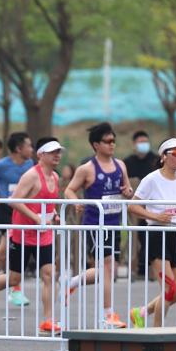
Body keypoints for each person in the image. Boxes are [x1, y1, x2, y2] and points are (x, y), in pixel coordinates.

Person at [0, 137, 63, 334]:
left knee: (49, 274)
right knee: (14, 279)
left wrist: (54, 215)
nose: (57, 155)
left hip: (43, 234)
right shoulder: (31, 175)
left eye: (59, 152)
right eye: (52, 152)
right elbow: (14, 200)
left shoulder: (55, 177)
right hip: (22, 233)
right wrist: (36, 218)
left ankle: (48, 320)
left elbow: (49, 202)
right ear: (41, 155)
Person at [63, 122, 133, 328]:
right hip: (95, 224)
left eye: (114, 141)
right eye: (107, 141)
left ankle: (73, 282)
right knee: (107, 268)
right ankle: (108, 314)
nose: (112, 145)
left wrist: (127, 192)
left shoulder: (120, 165)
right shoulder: (87, 169)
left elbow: (128, 190)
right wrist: (76, 202)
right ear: (96, 145)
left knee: (108, 270)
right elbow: (69, 189)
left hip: (114, 223)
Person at [127, 138, 176, 328]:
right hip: (157, 234)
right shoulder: (151, 179)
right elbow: (132, 206)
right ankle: (157, 332)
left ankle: (142, 312)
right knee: (170, 290)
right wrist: (155, 216)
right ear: (163, 157)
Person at [0, 131, 34, 306]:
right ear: (18, 148)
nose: (31, 149)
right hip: (7, 211)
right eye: (28, 146)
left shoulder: (31, 165)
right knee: (4, 252)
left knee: (13, 252)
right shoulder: (0, 165)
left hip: (25, 211)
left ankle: (14, 289)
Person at [123, 130, 159, 277]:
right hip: (134, 205)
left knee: (152, 236)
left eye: (145, 142)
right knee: (136, 236)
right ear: (134, 144)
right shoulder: (127, 162)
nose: (143, 144)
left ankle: (150, 266)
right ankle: (140, 266)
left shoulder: (156, 160)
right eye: (140, 142)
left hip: (154, 205)